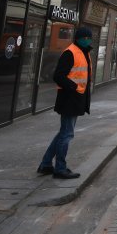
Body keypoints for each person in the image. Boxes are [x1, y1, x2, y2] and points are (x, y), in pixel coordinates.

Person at [37, 26, 94, 179]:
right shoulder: (70, 53)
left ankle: (46, 164)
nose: (87, 40)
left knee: (63, 133)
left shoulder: (84, 52)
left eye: (89, 38)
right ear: (78, 38)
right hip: (69, 99)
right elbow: (58, 76)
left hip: (76, 100)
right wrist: (74, 87)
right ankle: (60, 168)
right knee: (67, 135)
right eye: (85, 37)